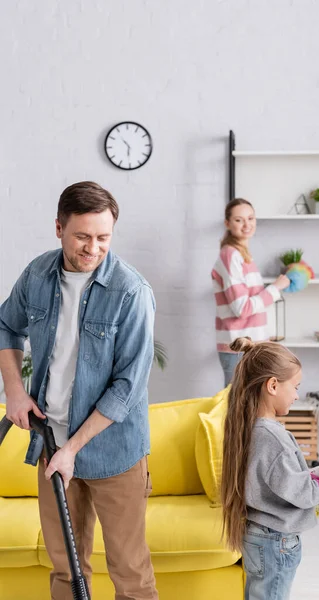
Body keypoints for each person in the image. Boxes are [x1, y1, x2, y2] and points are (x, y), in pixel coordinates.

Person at [0, 181, 158, 600]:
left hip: (115, 452)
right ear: (59, 228)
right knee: (67, 570)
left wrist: (74, 449)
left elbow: (127, 387)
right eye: (83, 236)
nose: (93, 248)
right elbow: (5, 325)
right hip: (52, 445)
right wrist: (14, 392)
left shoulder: (131, 293)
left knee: (130, 573)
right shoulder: (37, 275)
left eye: (103, 237)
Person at [220, 337, 319, 600]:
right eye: (295, 386)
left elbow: (279, 481)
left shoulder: (249, 428)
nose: (297, 395)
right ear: (272, 385)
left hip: (260, 534)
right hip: (275, 540)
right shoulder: (271, 438)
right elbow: (304, 493)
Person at [211, 198, 290, 387]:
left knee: (248, 408)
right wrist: (276, 287)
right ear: (227, 223)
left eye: (251, 218)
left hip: (250, 345)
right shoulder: (230, 256)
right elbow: (242, 308)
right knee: (236, 408)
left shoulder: (242, 255)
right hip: (239, 347)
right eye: (239, 220)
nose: (247, 224)